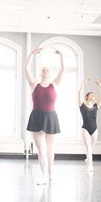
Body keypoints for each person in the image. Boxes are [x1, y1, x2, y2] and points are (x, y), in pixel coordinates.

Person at [25, 47, 64, 185]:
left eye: (48, 70)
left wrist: (61, 56)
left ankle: (51, 172)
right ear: (40, 73)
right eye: (43, 69)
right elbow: (27, 69)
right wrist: (31, 54)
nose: (45, 71)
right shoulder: (34, 84)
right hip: (36, 118)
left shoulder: (55, 85)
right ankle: (44, 177)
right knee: (41, 150)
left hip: (51, 118)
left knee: (50, 149)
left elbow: (63, 70)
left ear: (50, 73)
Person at [78, 79, 101, 172]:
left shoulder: (95, 106)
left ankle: (87, 160)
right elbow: (79, 94)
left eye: (93, 95)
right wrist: (83, 83)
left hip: (95, 129)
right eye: (91, 94)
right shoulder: (82, 106)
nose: (93, 95)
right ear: (87, 97)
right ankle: (90, 167)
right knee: (88, 148)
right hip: (85, 129)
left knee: (91, 149)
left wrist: (100, 85)